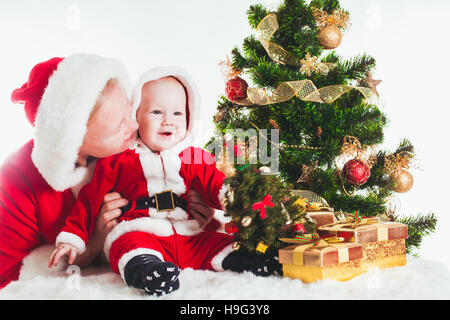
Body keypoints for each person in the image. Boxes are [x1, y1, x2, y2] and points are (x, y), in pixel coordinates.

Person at [49, 67, 282, 296]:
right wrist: (72, 239)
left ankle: (252, 259)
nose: (168, 121)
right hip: (139, 229)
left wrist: (240, 199)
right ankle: (147, 272)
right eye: (157, 112)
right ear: (136, 117)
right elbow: (89, 200)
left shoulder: (193, 157)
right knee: (128, 246)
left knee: (218, 243)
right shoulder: (119, 160)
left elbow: (214, 182)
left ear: (190, 117)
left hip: (187, 233)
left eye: (177, 113)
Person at [0, 54, 215, 290]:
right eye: (117, 128)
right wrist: (93, 244)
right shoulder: (17, 182)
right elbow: (10, 280)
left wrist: (199, 213)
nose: (135, 126)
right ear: (73, 142)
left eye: (130, 111)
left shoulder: (144, 147)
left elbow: (191, 171)